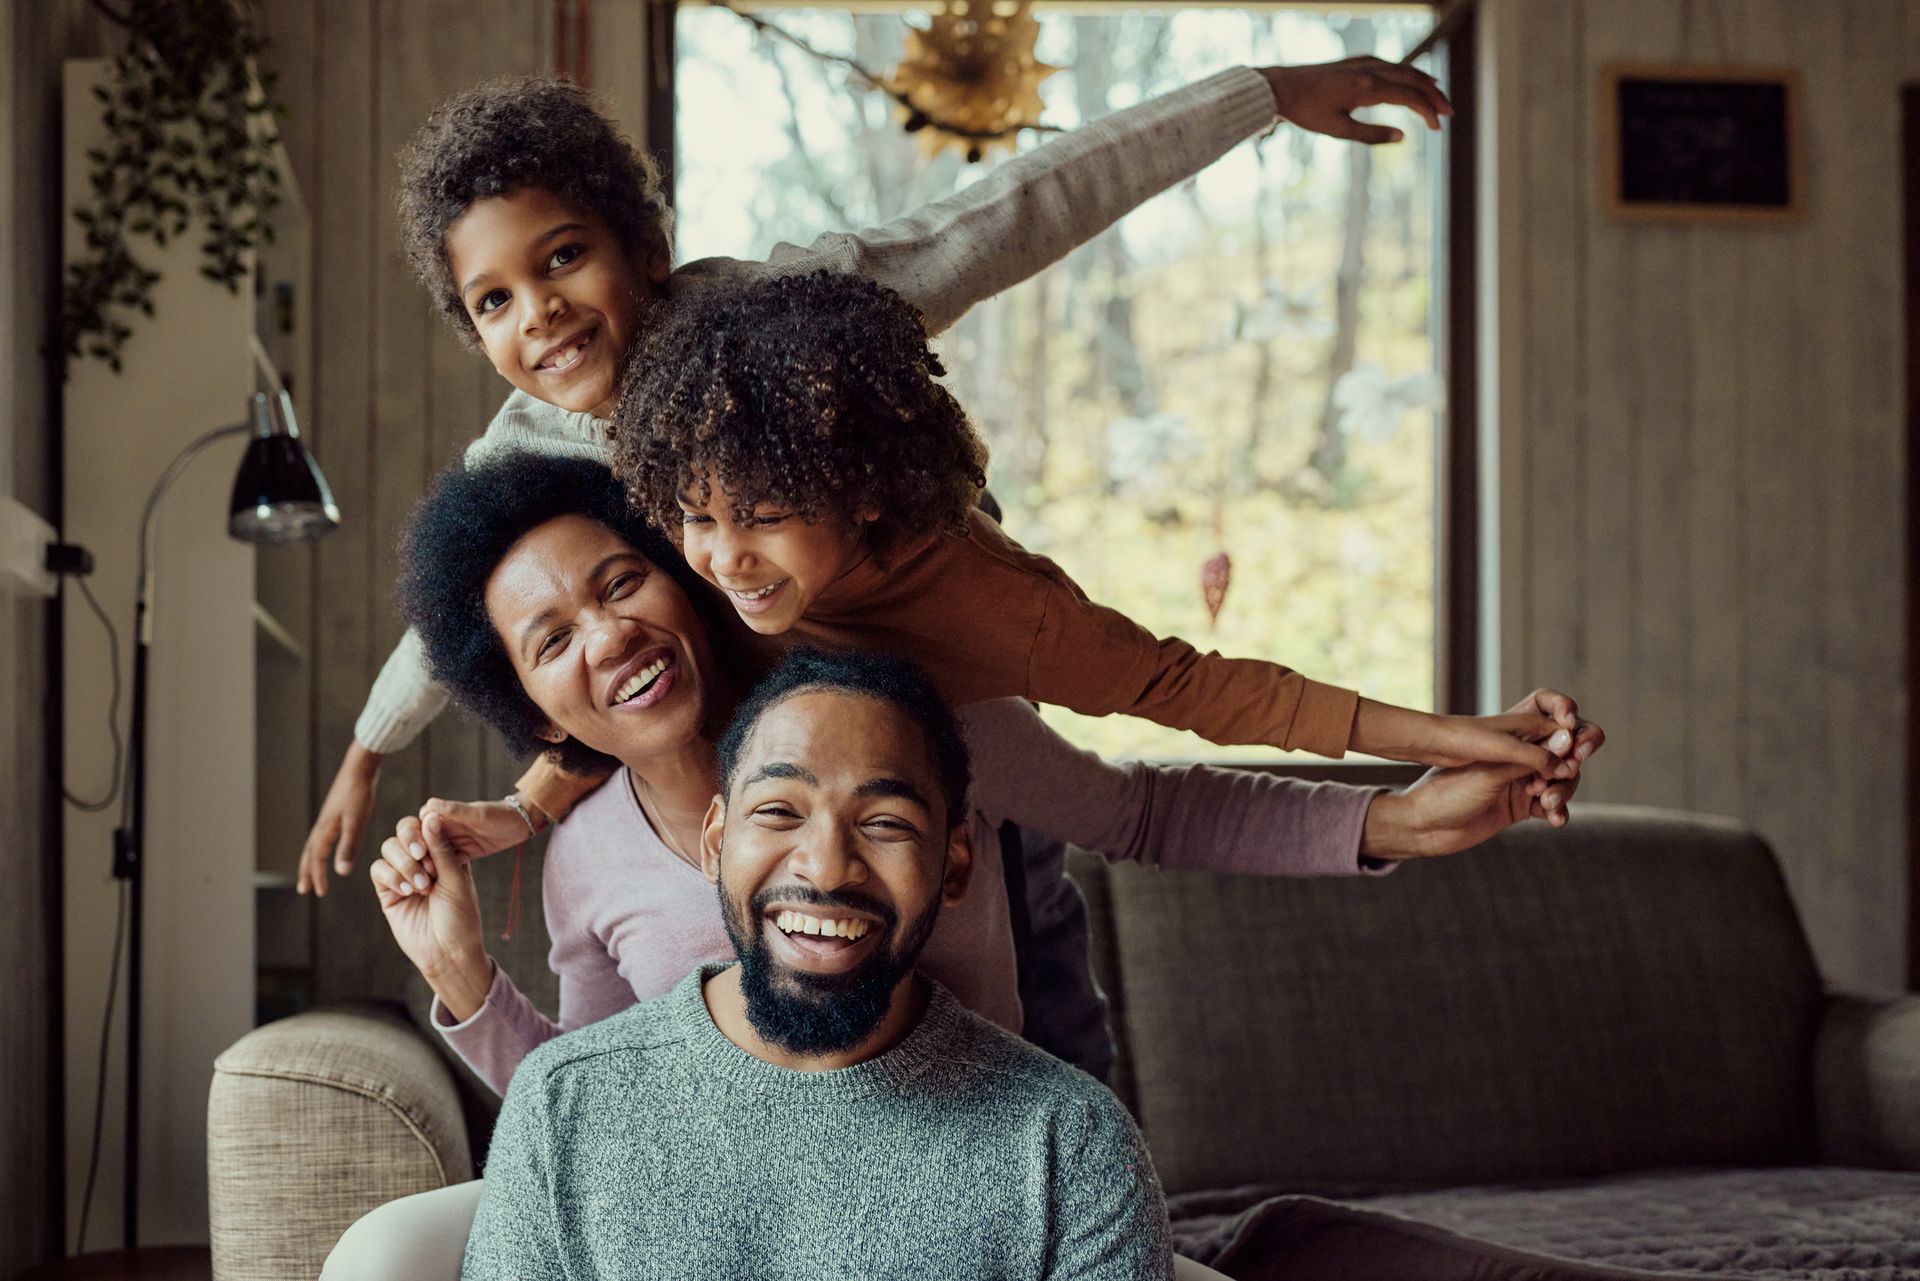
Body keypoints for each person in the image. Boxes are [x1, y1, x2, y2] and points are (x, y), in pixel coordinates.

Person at [319, 453, 1600, 1279]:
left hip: (966, 1195)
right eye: (553, 639)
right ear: (534, 703)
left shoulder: (913, 731)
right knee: (384, 1257)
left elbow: (1148, 814)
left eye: (622, 582)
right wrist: (469, 984)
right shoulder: (584, 852)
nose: (611, 636)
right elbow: (595, 1103)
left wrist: (1403, 819)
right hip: (722, 1226)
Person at [299, 58, 1459, 895]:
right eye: (494, 300)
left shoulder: (788, 316)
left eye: (563, 258)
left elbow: (1014, 212)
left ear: (640, 248)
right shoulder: (524, 459)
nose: (539, 311)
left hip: (958, 647)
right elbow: (456, 627)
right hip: (830, 738)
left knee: (1045, 899)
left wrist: (1258, 96)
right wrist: (366, 755)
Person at [612, 269, 1575, 780]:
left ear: (861, 493)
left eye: (766, 519)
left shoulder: (1011, 613)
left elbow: (1212, 692)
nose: (722, 555)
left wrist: (1460, 738)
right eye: (696, 516)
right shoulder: (691, 552)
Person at [462, 648, 1173, 1279]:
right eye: (778, 810)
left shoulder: (1070, 1142)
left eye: (886, 823)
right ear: (716, 842)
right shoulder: (559, 1104)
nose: (828, 868)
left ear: (954, 865)